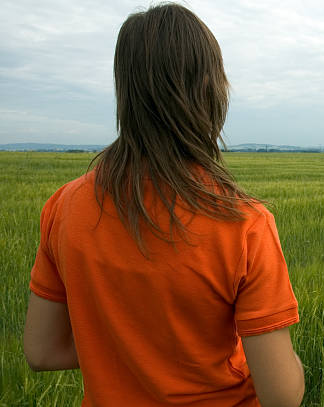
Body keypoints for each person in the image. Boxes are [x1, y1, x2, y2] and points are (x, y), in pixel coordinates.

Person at [23, 3, 304, 406]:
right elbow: (282, 397)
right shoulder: (243, 224)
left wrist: (125, 355)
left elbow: (42, 351)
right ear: (210, 90)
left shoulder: (64, 207)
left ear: (126, 91)